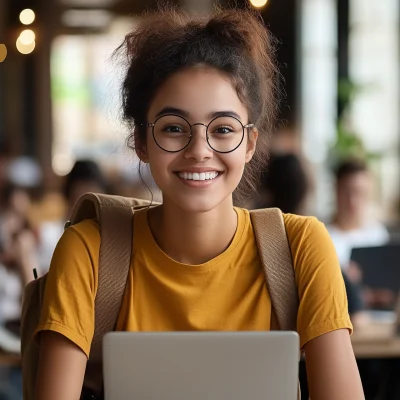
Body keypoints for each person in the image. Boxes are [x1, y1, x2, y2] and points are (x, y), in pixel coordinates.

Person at [33, 7, 364, 400]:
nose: (199, 150)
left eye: (224, 129)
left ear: (250, 143)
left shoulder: (301, 248)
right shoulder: (89, 251)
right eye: (174, 128)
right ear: (141, 141)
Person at [37, 159, 108, 273]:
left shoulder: (108, 239)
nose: (89, 205)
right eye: (83, 194)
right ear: (69, 194)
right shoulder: (47, 234)